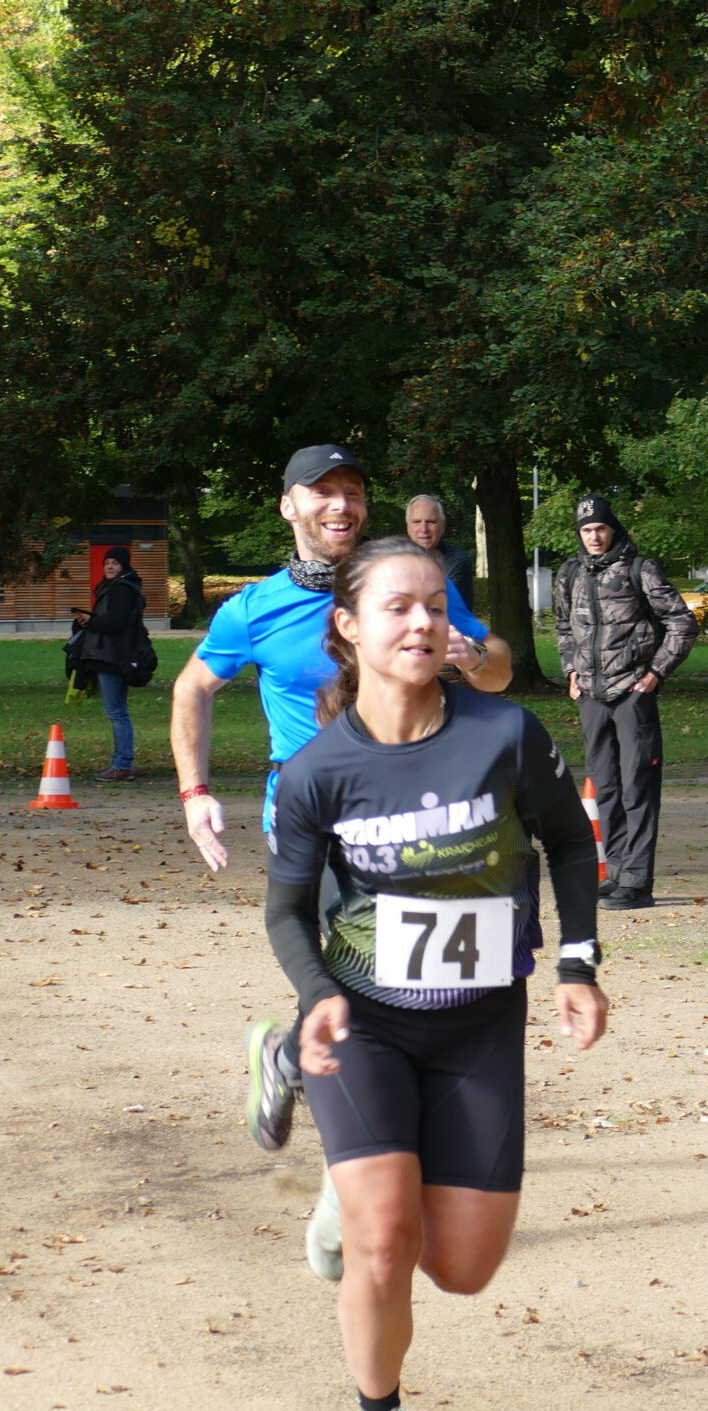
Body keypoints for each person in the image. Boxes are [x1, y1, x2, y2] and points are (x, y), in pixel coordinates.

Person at [266, 537, 605, 1411]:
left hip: (479, 1021)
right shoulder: (317, 771)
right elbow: (286, 913)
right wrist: (316, 994)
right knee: (383, 1240)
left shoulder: (505, 734)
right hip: (361, 1020)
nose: (422, 623)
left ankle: (349, 1174)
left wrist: (577, 962)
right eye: (398, 607)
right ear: (348, 626)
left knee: (461, 1268)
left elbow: (571, 845)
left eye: (436, 607)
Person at [169, 443, 514, 1153]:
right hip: (311, 813)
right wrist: (195, 791)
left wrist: (474, 657)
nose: (340, 504)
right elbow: (192, 688)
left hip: (414, 804)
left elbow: (500, 670)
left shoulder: (406, 586)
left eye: (352, 490)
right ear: (288, 506)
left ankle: (291, 1060)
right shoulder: (254, 609)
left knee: (401, 966)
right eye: (321, 491)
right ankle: (361, 1150)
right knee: (366, 957)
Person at [552, 495, 698, 911]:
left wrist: (656, 673)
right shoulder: (569, 573)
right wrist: (571, 671)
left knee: (638, 787)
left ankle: (637, 881)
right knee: (606, 788)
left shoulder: (640, 569)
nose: (594, 536)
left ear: (612, 529)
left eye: (600, 528)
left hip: (633, 693)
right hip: (591, 696)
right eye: (586, 530)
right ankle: (615, 873)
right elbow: (563, 626)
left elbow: (682, 623)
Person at [74, 546, 149, 781]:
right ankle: (120, 762)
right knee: (116, 711)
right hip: (110, 655)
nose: (110, 566)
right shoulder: (113, 588)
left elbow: (116, 623)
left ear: (123, 566)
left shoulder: (121, 590)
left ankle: (122, 764)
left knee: (117, 713)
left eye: (115, 563)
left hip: (114, 657)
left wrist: (91, 621)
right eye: (107, 562)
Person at [401, 493, 476, 609]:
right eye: (416, 522)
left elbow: (444, 606)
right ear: (407, 526)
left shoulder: (456, 562)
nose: (423, 529)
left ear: (443, 526)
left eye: (431, 522)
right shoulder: (395, 561)